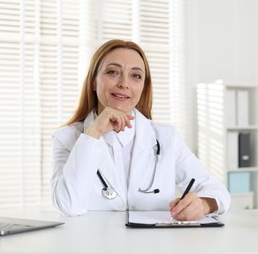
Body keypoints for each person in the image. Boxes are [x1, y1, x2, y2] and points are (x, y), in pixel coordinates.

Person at [51, 39, 231, 220]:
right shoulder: (66, 138)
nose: (124, 83)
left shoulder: (167, 138)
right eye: (113, 72)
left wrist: (203, 204)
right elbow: (69, 205)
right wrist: (93, 134)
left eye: (135, 76)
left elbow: (219, 192)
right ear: (93, 82)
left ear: (143, 87)